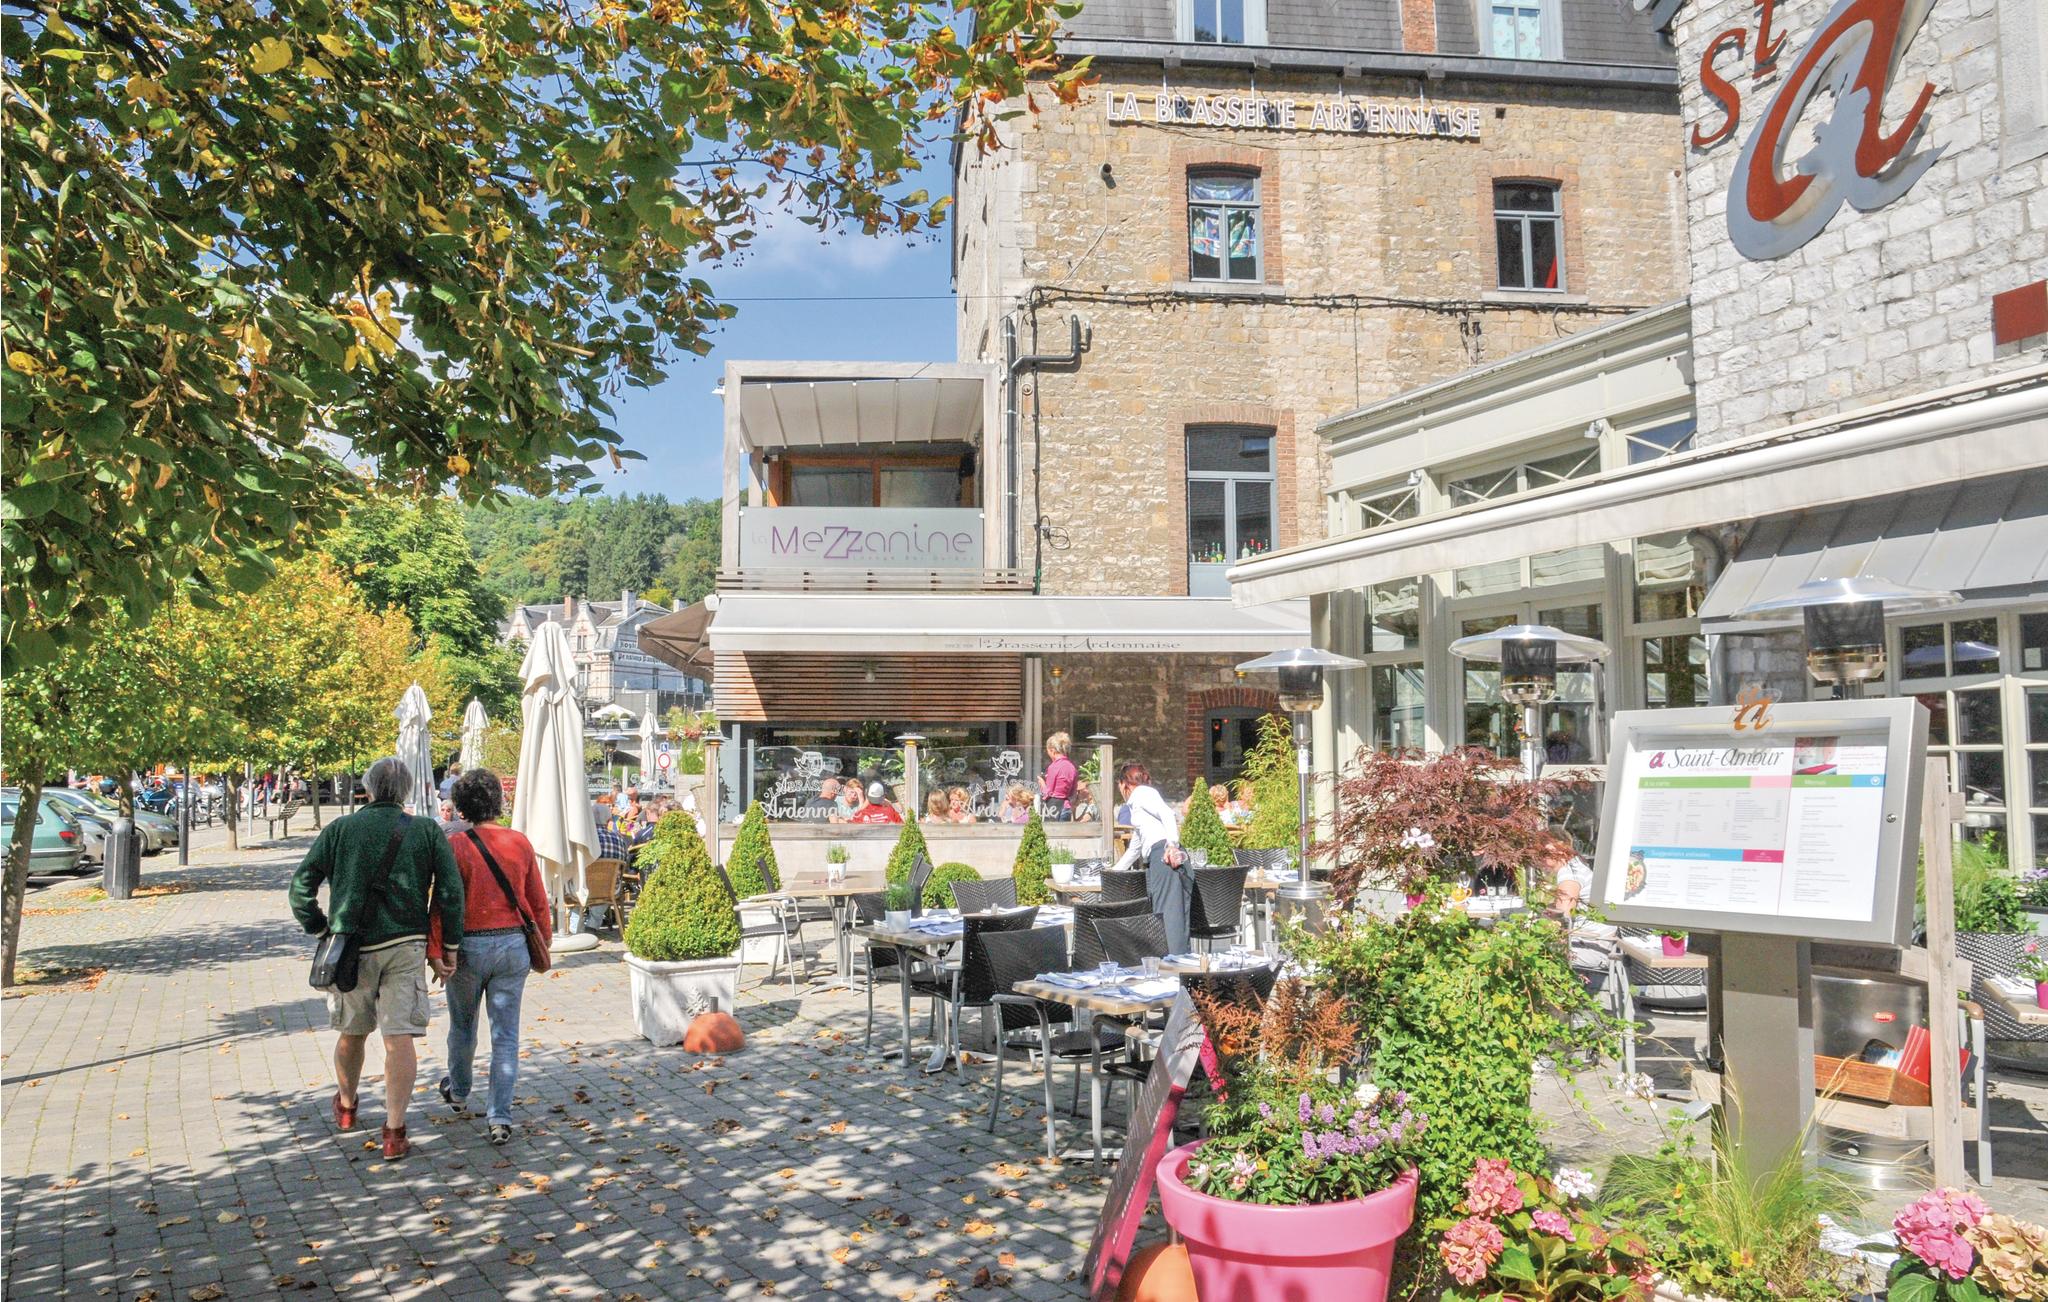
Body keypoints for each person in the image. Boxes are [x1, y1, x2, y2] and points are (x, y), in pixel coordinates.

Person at [289, 756, 465, 1161]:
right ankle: (394, 1130)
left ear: (366, 788)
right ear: (406, 791)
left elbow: (300, 887)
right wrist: (449, 946)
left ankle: (346, 1106)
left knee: (351, 1032)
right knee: (399, 1037)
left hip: (351, 947)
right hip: (406, 944)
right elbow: (450, 891)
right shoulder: (425, 830)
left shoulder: (340, 829)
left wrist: (319, 928)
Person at [431, 769, 551, 1146]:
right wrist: (543, 941)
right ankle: (500, 1116)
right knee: (506, 1035)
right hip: (513, 945)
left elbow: (444, 902)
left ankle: (459, 1091)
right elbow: (537, 900)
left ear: (462, 806)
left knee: (462, 1026)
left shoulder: (456, 846)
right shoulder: (519, 842)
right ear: (498, 801)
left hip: (467, 947)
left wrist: (436, 950)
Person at [1109, 761, 1189, 952]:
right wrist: (1112, 873)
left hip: (1164, 857)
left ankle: (1174, 964)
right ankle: (1173, 963)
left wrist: (1172, 845)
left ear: (1124, 784)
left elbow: (1167, 814)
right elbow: (1135, 849)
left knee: (1168, 920)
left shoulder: (1142, 793)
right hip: (1159, 857)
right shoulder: (1138, 805)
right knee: (1169, 918)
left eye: (1119, 785)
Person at [1037, 732, 1077, 821]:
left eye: (1048, 751)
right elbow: (1073, 792)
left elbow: (1048, 793)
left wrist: (1042, 783)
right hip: (1066, 807)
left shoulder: (1054, 766)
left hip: (1055, 808)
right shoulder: (1072, 767)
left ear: (1052, 750)